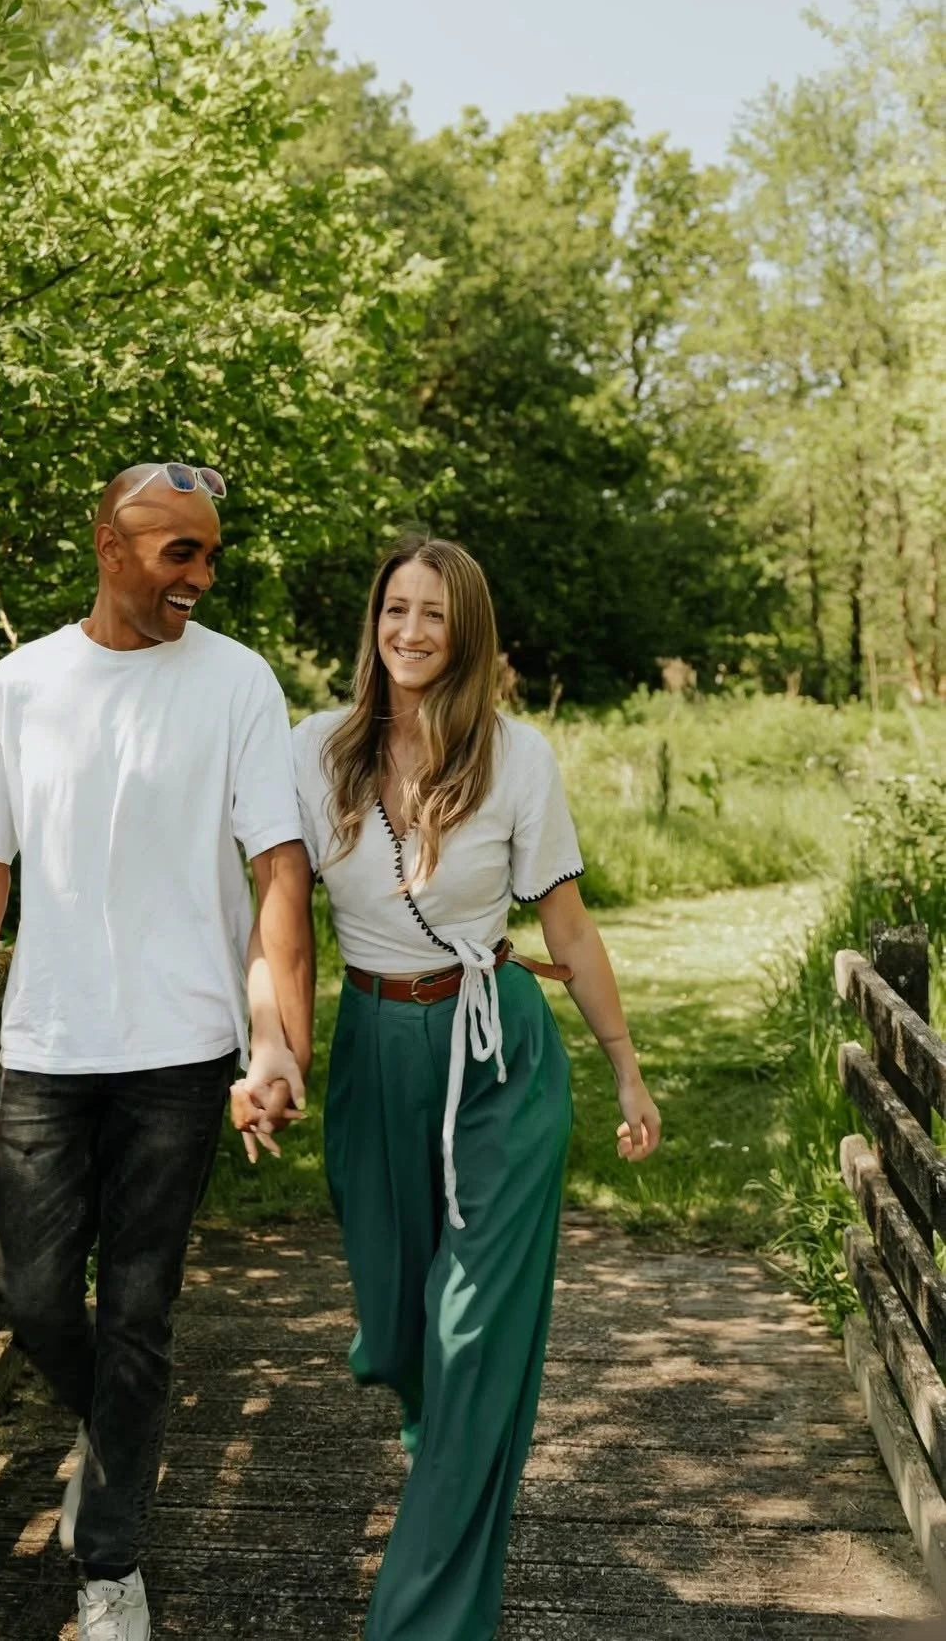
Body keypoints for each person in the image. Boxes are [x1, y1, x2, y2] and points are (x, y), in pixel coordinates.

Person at [236, 532, 661, 1640]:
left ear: (467, 631)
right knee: (399, 1324)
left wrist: (625, 1068)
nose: (411, 629)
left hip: (496, 1054)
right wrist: (269, 1042)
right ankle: (449, 1444)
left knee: (472, 1335)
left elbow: (562, 918)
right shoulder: (313, 749)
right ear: (374, 621)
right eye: (395, 608)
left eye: (434, 613)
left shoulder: (516, 757)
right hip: (378, 1050)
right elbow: (274, 911)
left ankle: (426, 1612)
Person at [0, 461, 314, 1641]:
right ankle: (122, 1433)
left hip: (183, 1052)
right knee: (35, 1296)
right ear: (109, 543)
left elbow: (278, 870)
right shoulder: (18, 688)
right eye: (177, 552)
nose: (201, 574)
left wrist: (275, 1041)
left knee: (138, 1307)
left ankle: (110, 1564)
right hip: (48, 1045)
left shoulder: (238, 684)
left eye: (211, 554)